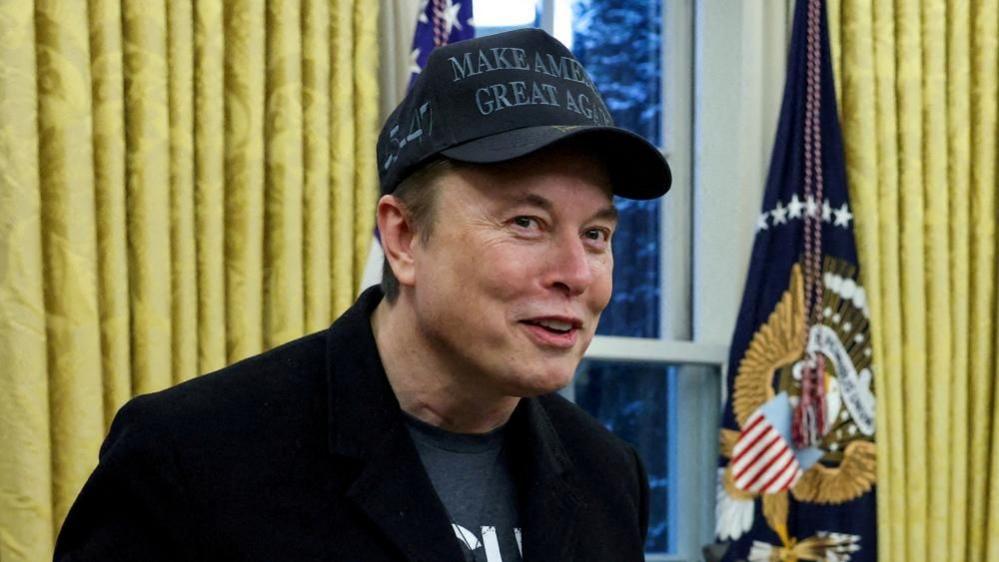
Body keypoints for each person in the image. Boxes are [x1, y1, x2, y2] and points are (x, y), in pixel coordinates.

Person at [54, 28, 671, 562]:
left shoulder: (608, 475)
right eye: (525, 223)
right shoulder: (191, 458)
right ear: (403, 237)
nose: (577, 273)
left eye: (595, 234)